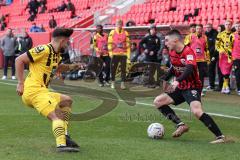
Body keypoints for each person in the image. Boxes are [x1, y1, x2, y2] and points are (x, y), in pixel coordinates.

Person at [15, 28, 82, 152]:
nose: (68, 44)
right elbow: (19, 60)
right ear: (62, 40)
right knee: (57, 116)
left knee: (67, 100)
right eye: (67, 42)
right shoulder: (44, 49)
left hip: (42, 91)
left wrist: (73, 66)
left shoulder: (56, 55)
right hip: (33, 91)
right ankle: (62, 145)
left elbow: (58, 68)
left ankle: (65, 136)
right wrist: (20, 83)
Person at [153, 29, 226, 144]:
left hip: (192, 86)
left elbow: (189, 68)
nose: (165, 43)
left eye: (167, 40)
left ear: (175, 40)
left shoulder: (188, 52)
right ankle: (181, 125)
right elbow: (174, 68)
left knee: (197, 111)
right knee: (158, 101)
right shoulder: (172, 52)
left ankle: (220, 137)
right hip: (180, 87)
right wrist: (164, 78)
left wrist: (177, 80)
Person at [185, 24, 210, 96]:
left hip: (202, 60)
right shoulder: (189, 37)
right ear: (195, 29)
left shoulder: (205, 37)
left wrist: (208, 58)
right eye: (197, 28)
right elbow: (185, 48)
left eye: (200, 29)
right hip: (193, 60)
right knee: (191, 75)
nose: (198, 30)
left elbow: (206, 49)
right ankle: (191, 89)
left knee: (201, 76)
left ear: (202, 29)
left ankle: (200, 91)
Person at [108, 19, 131, 89]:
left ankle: (122, 84)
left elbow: (128, 45)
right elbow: (109, 43)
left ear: (122, 25)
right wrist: (110, 53)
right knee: (113, 69)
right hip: (114, 54)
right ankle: (112, 83)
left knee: (123, 70)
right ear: (116, 24)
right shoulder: (112, 32)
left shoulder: (126, 33)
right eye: (118, 24)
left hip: (123, 55)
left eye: (120, 24)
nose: (119, 25)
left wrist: (128, 55)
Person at [215, 20, 233, 94]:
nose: (228, 26)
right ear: (224, 25)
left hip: (230, 56)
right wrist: (220, 50)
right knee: (224, 72)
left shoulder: (234, 34)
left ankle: (225, 87)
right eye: (226, 24)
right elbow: (217, 45)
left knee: (227, 72)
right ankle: (225, 87)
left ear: (231, 25)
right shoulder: (220, 34)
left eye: (229, 24)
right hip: (222, 56)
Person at [205, 23, 218, 91]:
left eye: (209, 27)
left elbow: (215, 46)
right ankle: (211, 84)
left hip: (213, 55)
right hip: (206, 55)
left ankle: (212, 85)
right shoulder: (205, 34)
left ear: (211, 27)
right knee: (210, 70)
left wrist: (211, 54)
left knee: (211, 69)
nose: (207, 28)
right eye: (206, 27)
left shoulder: (215, 34)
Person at [229, 21, 240, 95]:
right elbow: (229, 47)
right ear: (235, 27)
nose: (238, 28)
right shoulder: (232, 35)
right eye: (237, 26)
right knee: (238, 73)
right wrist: (230, 57)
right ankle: (239, 89)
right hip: (236, 57)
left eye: (239, 26)